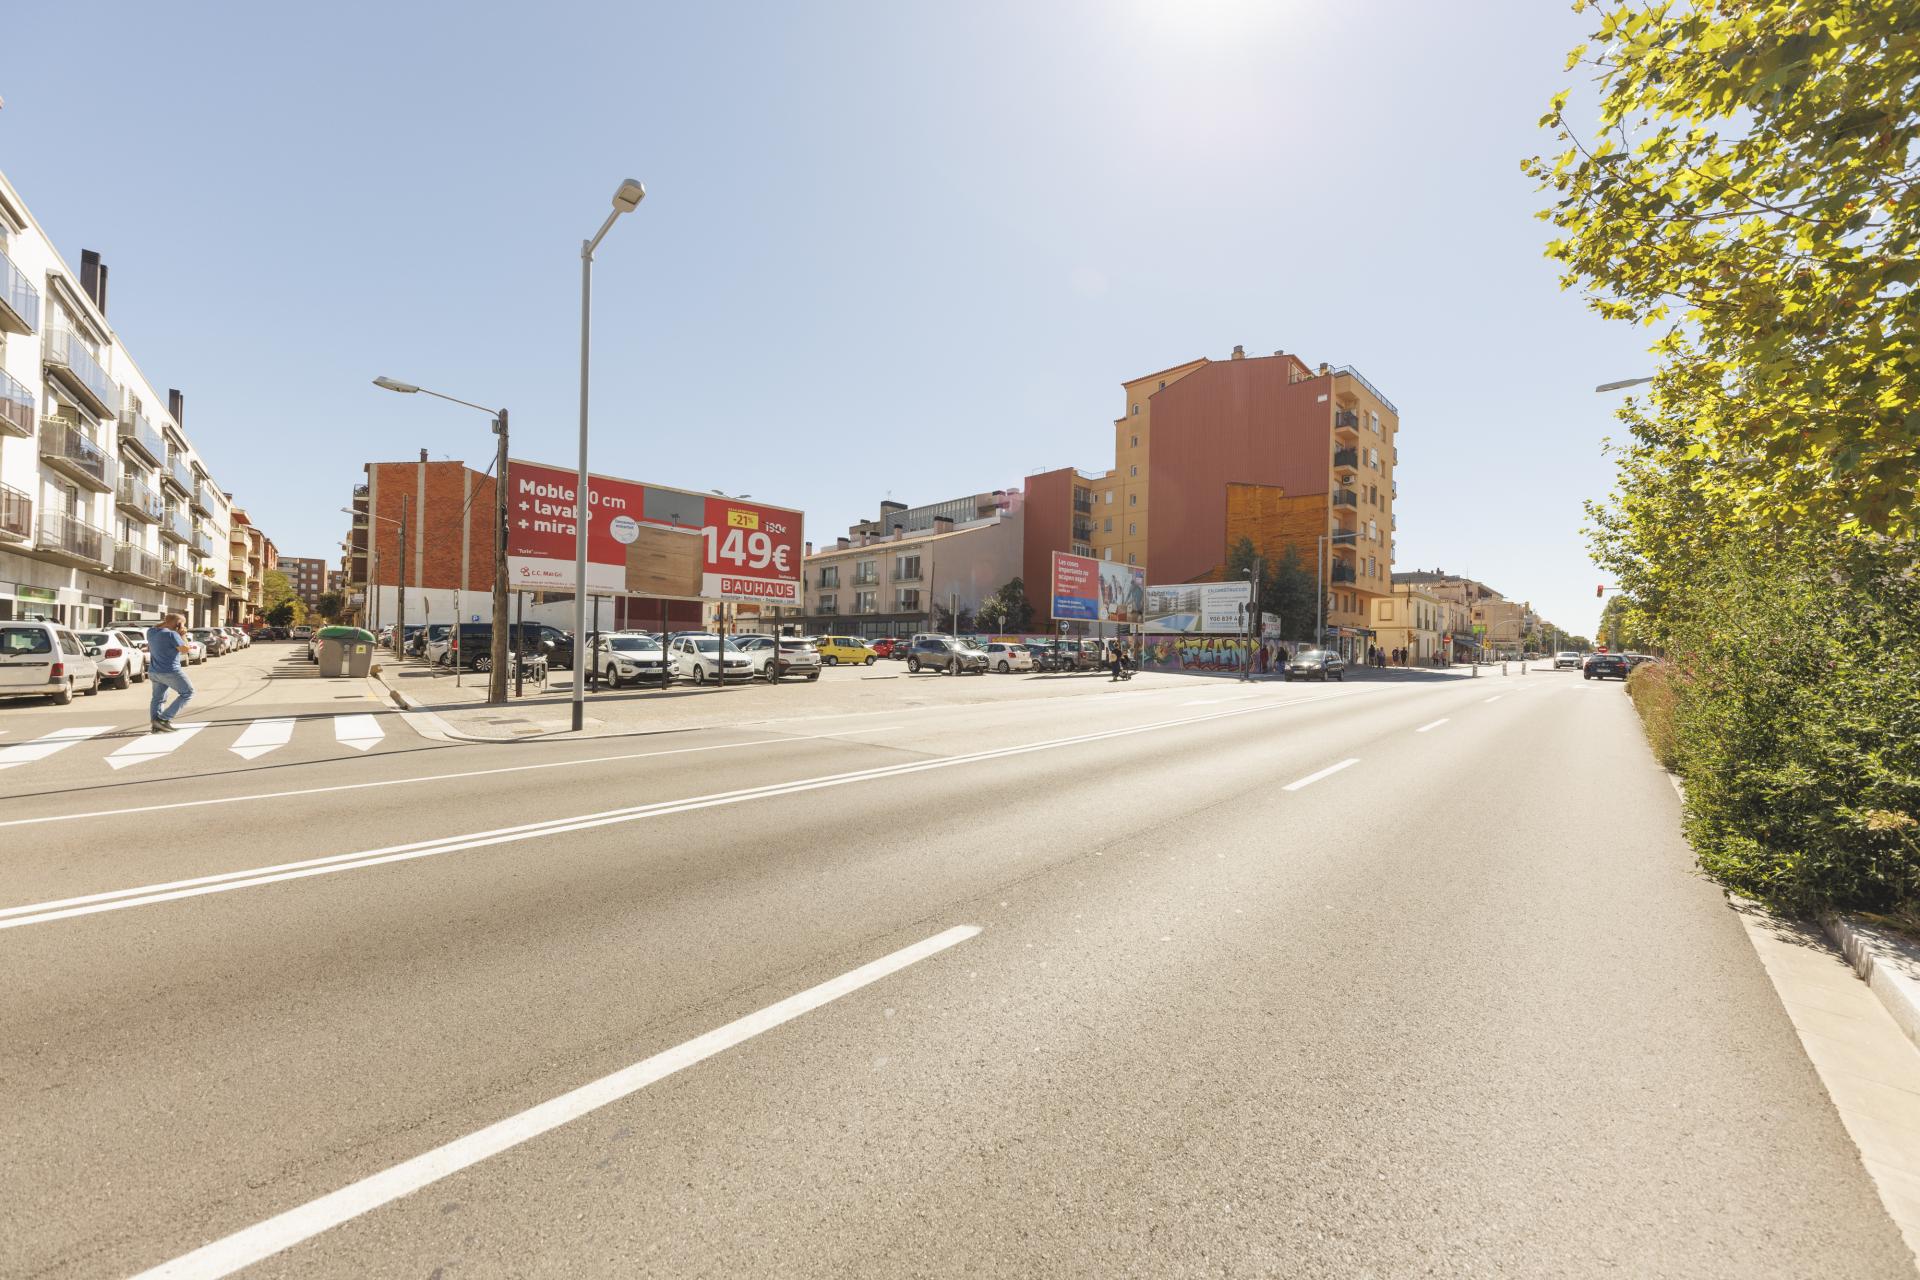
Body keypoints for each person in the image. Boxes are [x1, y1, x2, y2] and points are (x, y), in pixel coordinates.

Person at [146, 612, 193, 733]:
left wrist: (168, 622)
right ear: (178, 624)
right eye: (183, 624)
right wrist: (183, 634)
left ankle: (156, 725)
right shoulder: (172, 635)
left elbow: (158, 625)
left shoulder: (151, 632)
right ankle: (163, 719)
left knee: (158, 698)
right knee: (188, 693)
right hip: (170, 671)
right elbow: (185, 650)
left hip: (154, 672)